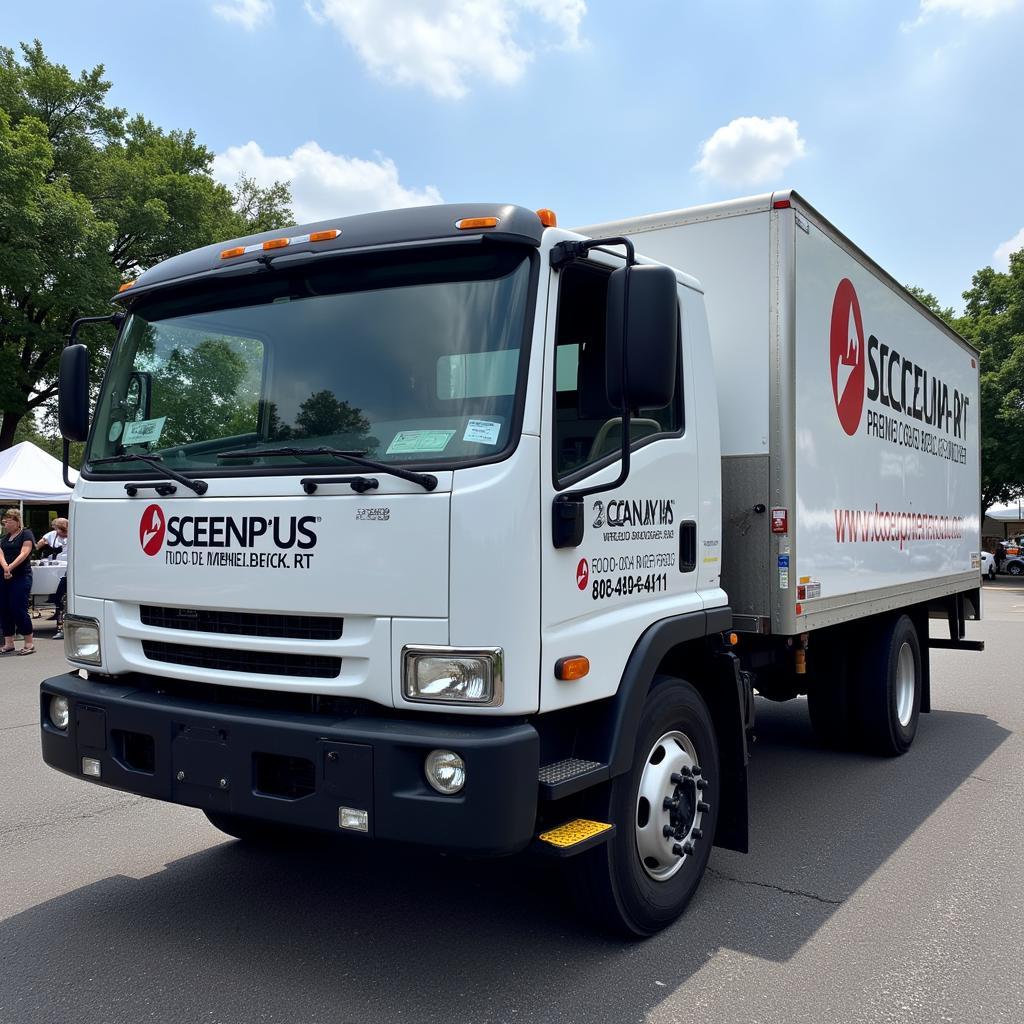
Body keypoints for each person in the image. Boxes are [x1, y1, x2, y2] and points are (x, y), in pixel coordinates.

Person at [0, 508, 35, 655]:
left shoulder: (26, 534)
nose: (5, 524)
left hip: (21, 576)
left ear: (16, 521)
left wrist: (11, 567)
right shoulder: (4, 538)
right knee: (4, 608)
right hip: (4, 575)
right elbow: (0, 553)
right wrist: (5, 567)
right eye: (4, 522)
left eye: (8, 521)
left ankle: (29, 642)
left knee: (18, 607)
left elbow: (24, 552)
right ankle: (9, 643)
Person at [35, 517, 69, 636]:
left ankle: (61, 623)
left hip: (68, 567)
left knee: (62, 594)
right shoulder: (51, 535)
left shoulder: (74, 533)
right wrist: (41, 546)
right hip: (54, 567)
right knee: (55, 591)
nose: (59, 532)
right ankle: (57, 612)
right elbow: (37, 546)